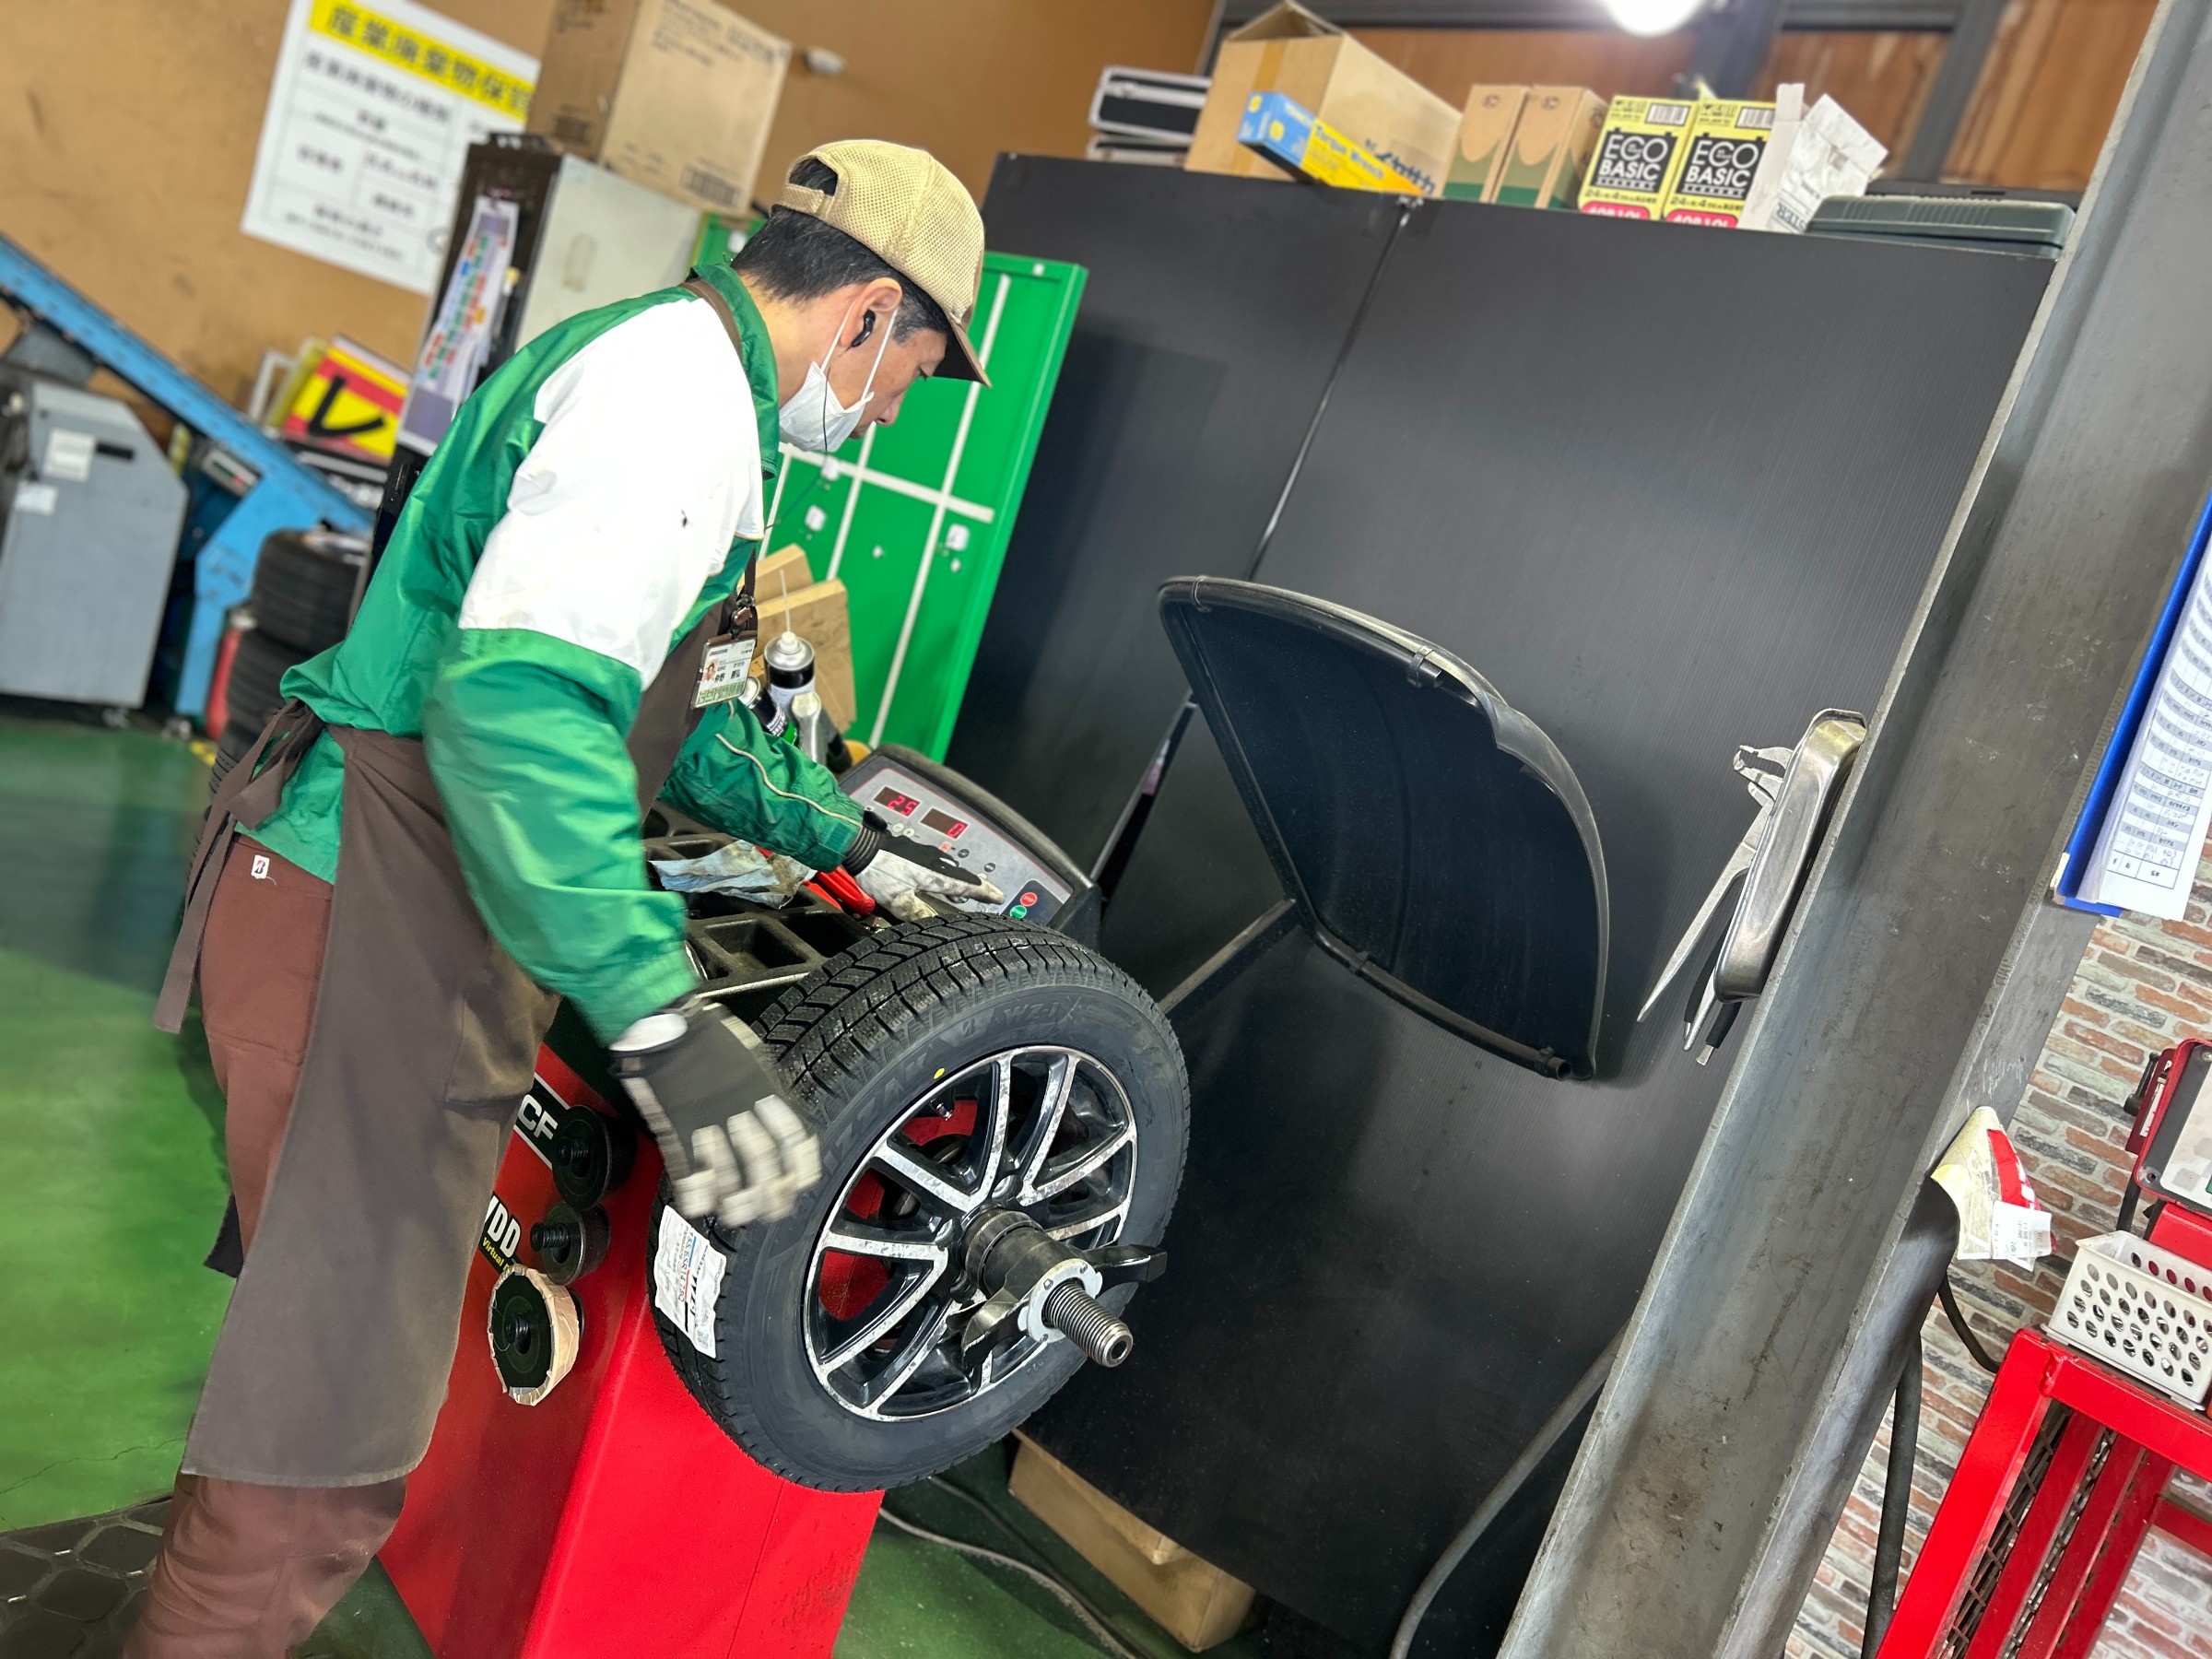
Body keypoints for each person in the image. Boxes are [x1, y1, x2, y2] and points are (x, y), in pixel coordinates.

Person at [130, 139, 1003, 1657]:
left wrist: (851, 846)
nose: (890, 409)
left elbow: (688, 715)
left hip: (388, 908)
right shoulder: (676, 407)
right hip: (364, 913)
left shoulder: (692, 386)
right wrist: (658, 1014)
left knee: (312, 1394)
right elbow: (521, 708)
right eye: (912, 374)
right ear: (870, 314)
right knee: (322, 1446)